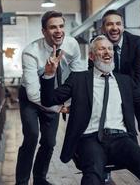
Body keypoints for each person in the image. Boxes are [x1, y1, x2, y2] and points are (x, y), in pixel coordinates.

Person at [40, 35, 140, 185]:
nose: (107, 52)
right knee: (93, 175)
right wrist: (49, 74)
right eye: (101, 48)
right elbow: (48, 100)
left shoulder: (125, 81)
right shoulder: (78, 79)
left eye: (110, 48)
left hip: (122, 139)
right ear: (91, 56)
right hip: (90, 139)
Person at [16, 11, 86, 185]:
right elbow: (33, 94)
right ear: (44, 31)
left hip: (52, 94)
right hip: (30, 98)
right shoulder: (30, 53)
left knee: (49, 141)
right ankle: (22, 182)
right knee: (31, 136)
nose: (58, 31)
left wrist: (73, 102)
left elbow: (77, 75)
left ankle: (40, 179)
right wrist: (58, 108)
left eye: (61, 26)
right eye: (53, 27)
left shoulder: (72, 44)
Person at [100, 9, 140, 162]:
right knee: (114, 130)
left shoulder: (137, 41)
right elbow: (94, 73)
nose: (114, 27)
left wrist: (129, 101)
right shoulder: (98, 44)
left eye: (118, 24)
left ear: (123, 27)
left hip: (138, 91)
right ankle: (109, 166)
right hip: (113, 95)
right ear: (103, 28)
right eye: (110, 24)